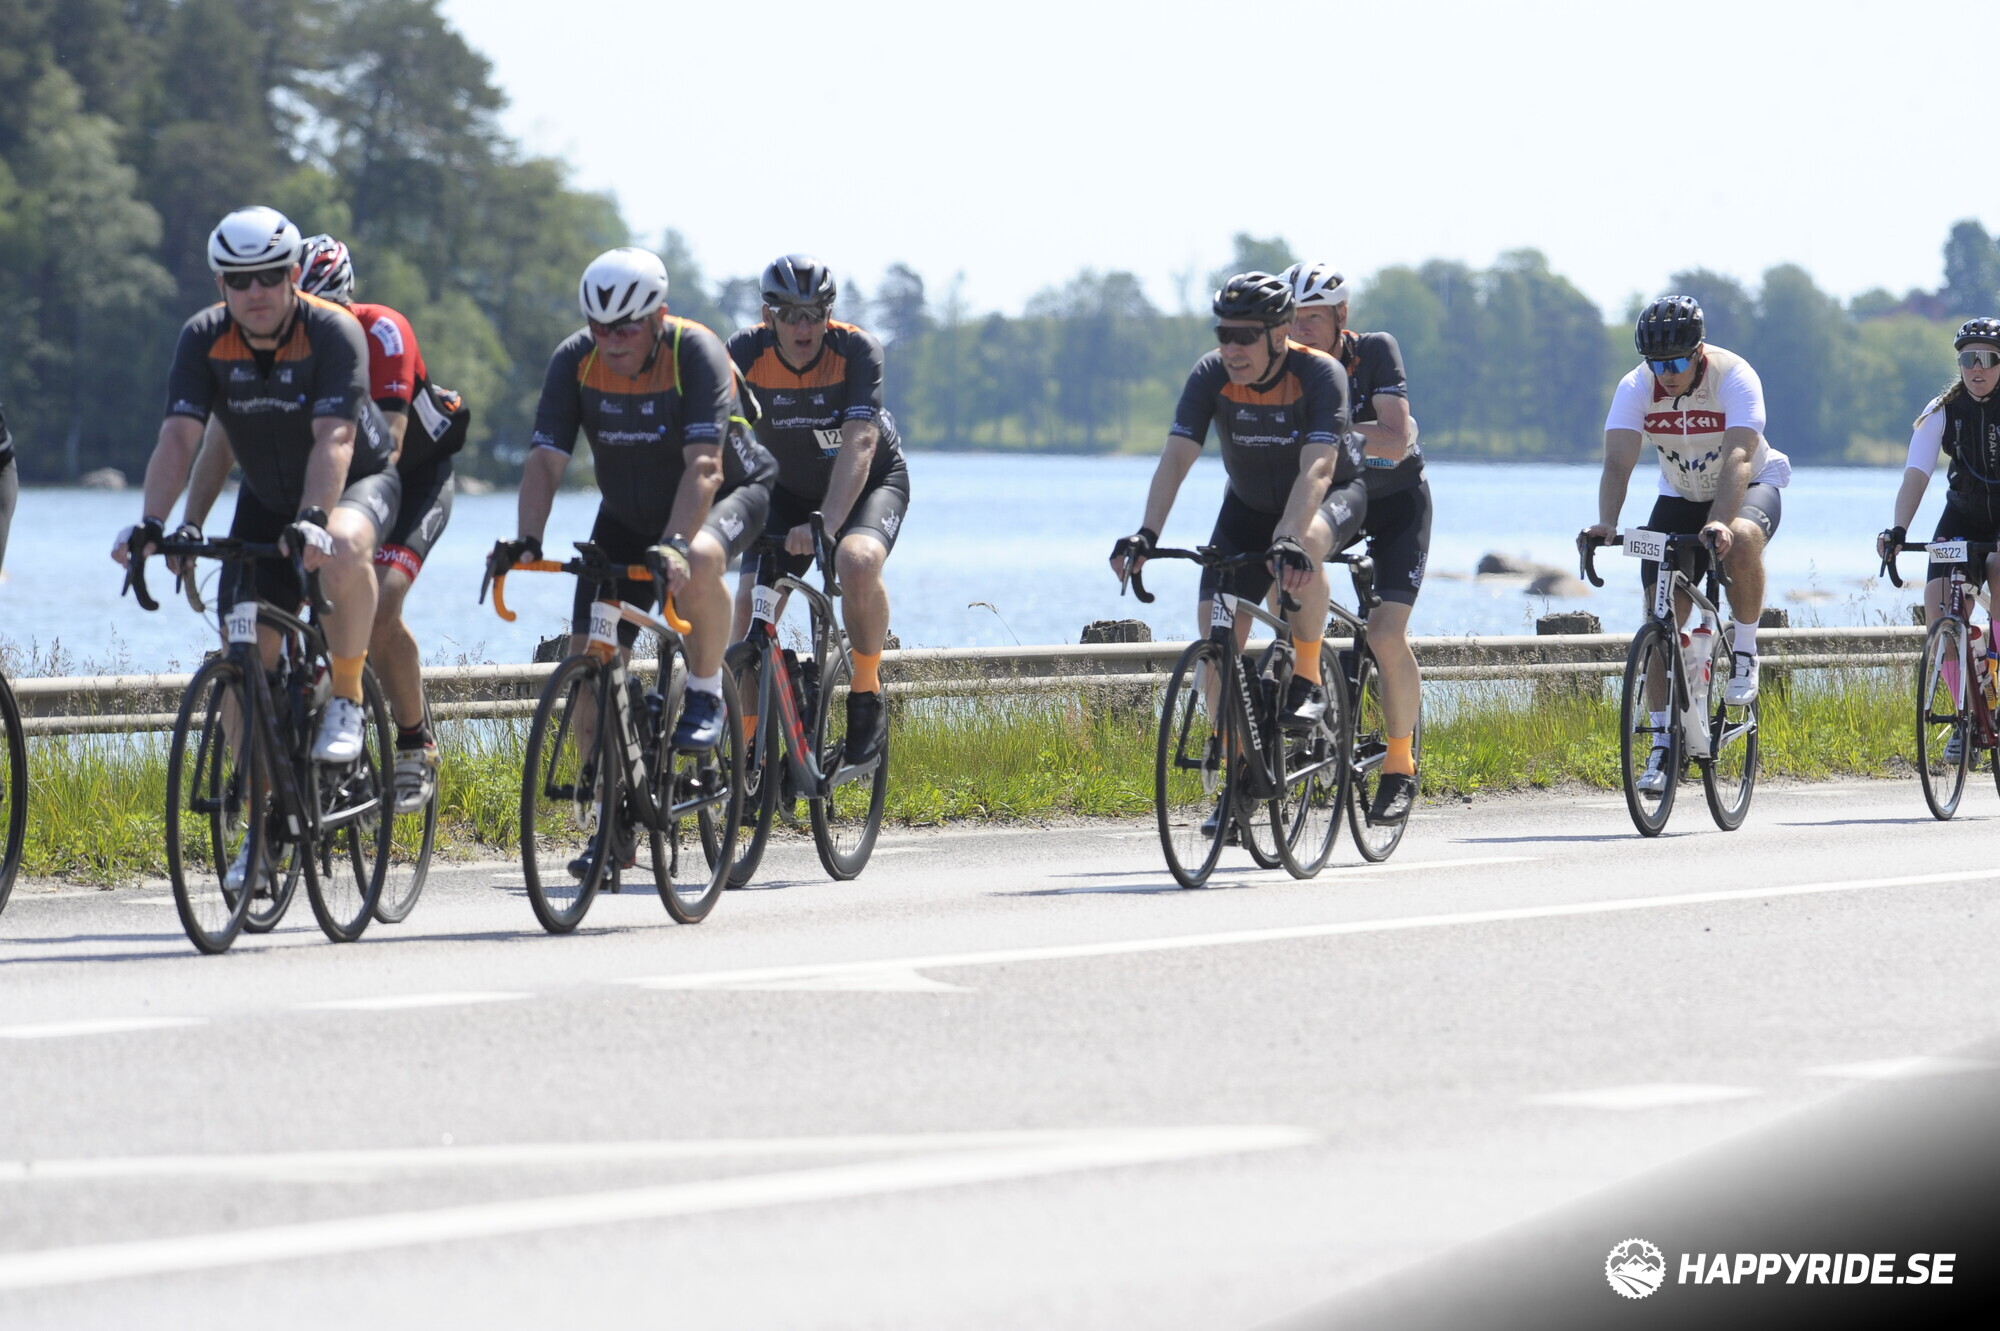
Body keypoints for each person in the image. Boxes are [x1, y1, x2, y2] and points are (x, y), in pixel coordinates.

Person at [111, 205, 401, 881]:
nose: (256, 292)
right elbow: (182, 438)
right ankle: (263, 829)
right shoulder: (204, 337)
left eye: (271, 276)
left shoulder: (331, 331)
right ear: (221, 285)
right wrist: (157, 522)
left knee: (344, 544)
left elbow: (336, 438)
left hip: (354, 482)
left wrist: (314, 517)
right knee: (245, 664)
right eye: (239, 280)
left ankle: (348, 697)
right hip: (267, 499)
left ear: (294, 274)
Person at [179, 234, 466, 814]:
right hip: (316, 478)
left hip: (404, 478)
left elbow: (388, 444)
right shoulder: (260, 341)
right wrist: (189, 524)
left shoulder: (382, 332)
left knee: (377, 602)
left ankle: (414, 742)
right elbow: (219, 443)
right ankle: (270, 784)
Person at [488, 246, 775, 779]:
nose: (612, 340)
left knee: (700, 557)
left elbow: (705, 467)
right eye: (600, 328)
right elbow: (546, 461)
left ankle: (706, 691)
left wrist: (677, 545)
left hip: (727, 494)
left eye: (625, 328)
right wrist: (527, 540)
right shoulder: (575, 360)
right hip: (626, 516)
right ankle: (607, 810)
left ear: (658, 317)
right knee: (589, 664)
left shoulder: (695, 353)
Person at [1110, 270, 1365, 762]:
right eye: (1224, 334)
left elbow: (1317, 468)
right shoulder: (1211, 374)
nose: (1232, 348)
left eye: (1245, 336)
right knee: (1216, 641)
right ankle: (1239, 770)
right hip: (1247, 508)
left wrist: (1288, 537)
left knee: (1306, 542)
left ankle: (1308, 675)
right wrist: (1146, 533)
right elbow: (1176, 457)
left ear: (1280, 333)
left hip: (1329, 495)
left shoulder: (1319, 374)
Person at [1583, 294, 1790, 794]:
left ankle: (1745, 651)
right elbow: (1618, 461)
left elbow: (1739, 456)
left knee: (1742, 539)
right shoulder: (1636, 387)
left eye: (1676, 363)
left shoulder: (1734, 375)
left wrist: (1720, 521)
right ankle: (1662, 742)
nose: (1667, 374)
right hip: (1679, 496)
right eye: (1657, 364)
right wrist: (1606, 523)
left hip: (1748, 485)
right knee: (1660, 620)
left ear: (1699, 353)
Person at [727, 254, 908, 766]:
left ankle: (866, 695)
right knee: (748, 615)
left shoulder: (856, 350)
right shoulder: (743, 353)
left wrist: (827, 523)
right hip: (785, 494)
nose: (803, 327)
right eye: (790, 315)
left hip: (868, 483)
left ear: (829, 313)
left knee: (857, 561)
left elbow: (860, 442)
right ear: (768, 316)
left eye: (815, 314)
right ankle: (749, 759)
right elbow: (714, 439)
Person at [1281, 260, 1424, 823]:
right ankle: (1308, 682)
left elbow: (1392, 437)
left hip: (1396, 504)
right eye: (1292, 320)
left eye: (1313, 319)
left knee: (1385, 633)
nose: (1301, 331)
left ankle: (1400, 764)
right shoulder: (1286, 366)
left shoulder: (1375, 351)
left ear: (1341, 316)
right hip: (1337, 498)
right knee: (1286, 577)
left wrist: (1326, 431)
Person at [1877, 317, 2000, 759]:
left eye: (1987, 359)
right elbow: (1916, 475)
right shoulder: (1943, 409)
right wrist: (1898, 531)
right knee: (1938, 604)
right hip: (1962, 514)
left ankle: (1997, 689)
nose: (1976, 368)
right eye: (1968, 360)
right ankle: (1964, 716)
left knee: (1998, 568)